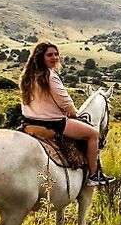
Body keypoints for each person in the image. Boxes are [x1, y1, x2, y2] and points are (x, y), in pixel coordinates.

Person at [19, 41, 114, 186]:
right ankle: (94, 176)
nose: (55, 57)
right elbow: (65, 102)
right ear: (40, 57)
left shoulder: (27, 75)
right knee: (93, 134)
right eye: (50, 55)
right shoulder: (49, 75)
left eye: (56, 54)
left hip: (28, 123)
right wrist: (73, 113)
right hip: (52, 123)